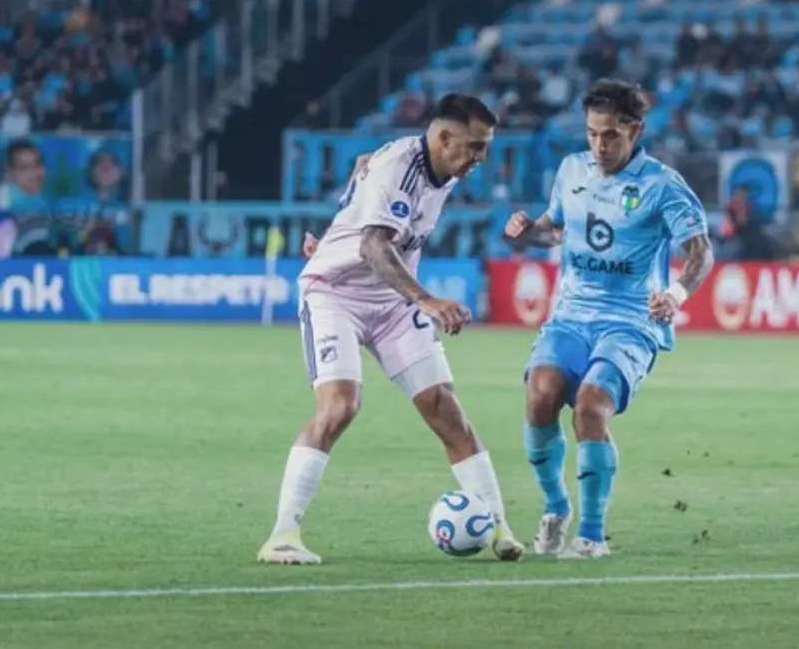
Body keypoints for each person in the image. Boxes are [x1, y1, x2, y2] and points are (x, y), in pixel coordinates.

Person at [258, 94, 525, 565]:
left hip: (391, 303)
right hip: (335, 293)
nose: (480, 158)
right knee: (340, 405)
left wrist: (336, 227)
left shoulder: (434, 167)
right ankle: (283, 535)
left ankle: (500, 527)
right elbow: (374, 246)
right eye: (474, 146)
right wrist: (426, 298)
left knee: (446, 411)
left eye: (485, 147)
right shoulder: (397, 166)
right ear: (443, 137)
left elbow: (361, 190)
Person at [503, 79, 714, 559]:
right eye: (592, 134)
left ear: (635, 130)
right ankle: (556, 509)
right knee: (540, 395)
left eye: (611, 135)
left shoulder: (662, 185)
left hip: (630, 320)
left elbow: (701, 251)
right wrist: (524, 232)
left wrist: (677, 293)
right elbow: (553, 231)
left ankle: (593, 535)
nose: (599, 145)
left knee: (591, 406)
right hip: (572, 314)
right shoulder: (571, 169)